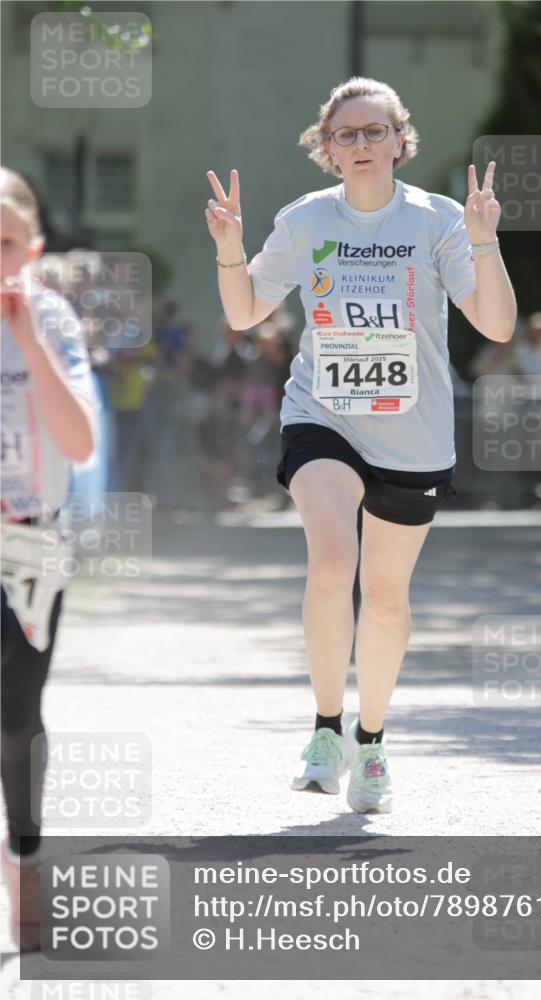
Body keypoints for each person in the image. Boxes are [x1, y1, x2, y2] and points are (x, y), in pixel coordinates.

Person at [205, 77, 516, 813]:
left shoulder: (440, 220)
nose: (363, 144)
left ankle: (370, 741)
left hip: (411, 432)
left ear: (401, 141)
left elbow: (497, 326)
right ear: (329, 149)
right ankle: (323, 729)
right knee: (332, 561)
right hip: (324, 416)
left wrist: (485, 240)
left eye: (376, 131)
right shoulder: (307, 220)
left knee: (383, 597)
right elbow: (247, 310)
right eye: (347, 134)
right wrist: (230, 249)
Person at [0, 167, 96, 948]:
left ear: (30, 247)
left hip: (31, 535)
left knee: (14, 713)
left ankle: (24, 853)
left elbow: (79, 442)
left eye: (3, 241)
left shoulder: (53, 317)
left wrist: (28, 340)